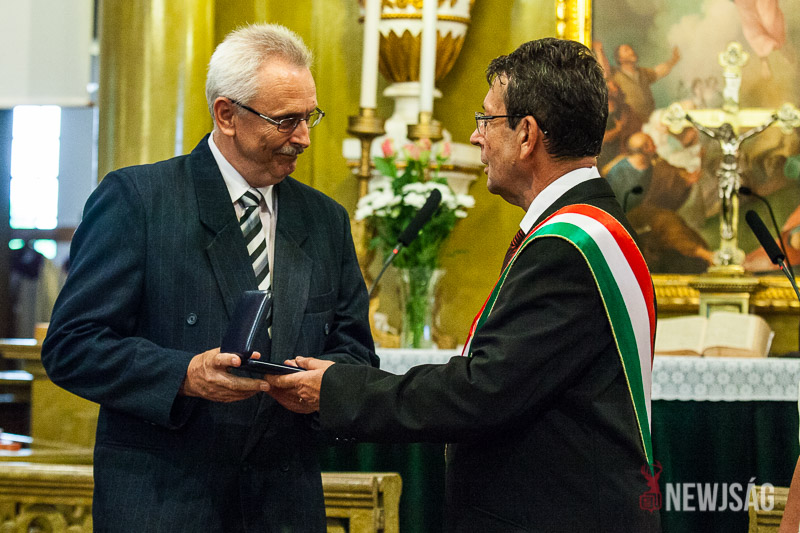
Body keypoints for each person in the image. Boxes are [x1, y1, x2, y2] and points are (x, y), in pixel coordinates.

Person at [265, 38, 660, 532]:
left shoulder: (569, 245)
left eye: (486, 119)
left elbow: (481, 392)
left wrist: (335, 388)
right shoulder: (595, 226)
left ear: (526, 135)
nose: (475, 137)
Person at [41, 23, 377, 532]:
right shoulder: (139, 200)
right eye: (286, 121)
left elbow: (355, 352)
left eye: (310, 117)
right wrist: (184, 375)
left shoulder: (325, 219)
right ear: (226, 115)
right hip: (166, 502)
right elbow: (72, 346)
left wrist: (322, 383)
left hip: (283, 506)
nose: (304, 138)